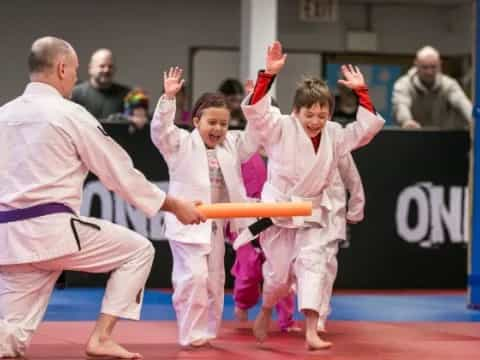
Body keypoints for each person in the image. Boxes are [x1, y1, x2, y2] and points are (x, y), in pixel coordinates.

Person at [0, 36, 205, 359]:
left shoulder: (3, 115)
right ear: (62, 67)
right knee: (138, 251)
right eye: (75, 70)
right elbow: (119, 173)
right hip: (55, 231)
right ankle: (101, 338)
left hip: (9, 240)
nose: (75, 78)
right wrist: (174, 204)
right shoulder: (69, 114)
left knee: (9, 339)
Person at [241, 41, 385, 350]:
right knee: (278, 277)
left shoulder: (334, 134)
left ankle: (311, 331)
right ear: (296, 111)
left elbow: (367, 129)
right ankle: (266, 309)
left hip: (313, 214)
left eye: (322, 114)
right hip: (278, 211)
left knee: (313, 265)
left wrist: (362, 92)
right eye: (310, 114)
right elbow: (256, 113)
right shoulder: (280, 127)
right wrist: (268, 74)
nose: (316, 121)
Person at [150, 67, 258, 347]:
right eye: (212, 122)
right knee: (193, 279)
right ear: (197, 120)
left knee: (213, 280)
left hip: (215, 225)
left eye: (223, 124)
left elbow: (256, 135)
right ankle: (191, 333)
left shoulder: (232, 145)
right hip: (187, 224)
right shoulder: (181, 144)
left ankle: (209, 330)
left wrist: (256, 101)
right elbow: (160, 131)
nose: (218, 129)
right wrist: (169, 98)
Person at [316, 151, 365, 333]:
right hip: (299, 212)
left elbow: (352, 178)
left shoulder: (338, 141)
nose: (317, 121)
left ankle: (320, 315)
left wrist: (356, 208)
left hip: (331, 212)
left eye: (324, 118)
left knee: (327, 262)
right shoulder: (290, 134)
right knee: (289, 269)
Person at [392, 46, 472, 130]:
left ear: (440, 65)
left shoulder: (449, 84)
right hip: (413, 136)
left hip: (443, 139)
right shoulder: (404, 84)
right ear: (416, 64)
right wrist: (406, 121)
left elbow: (462, 102)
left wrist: (473, 120)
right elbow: (401, 105)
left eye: (433, 67)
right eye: (425, 67)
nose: (429, 72)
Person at [71, 48, 131, 120]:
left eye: (110, 66)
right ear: (90, 68)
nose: (106, 70)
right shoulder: (74, 94)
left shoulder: (127, 94)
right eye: (102, 66)